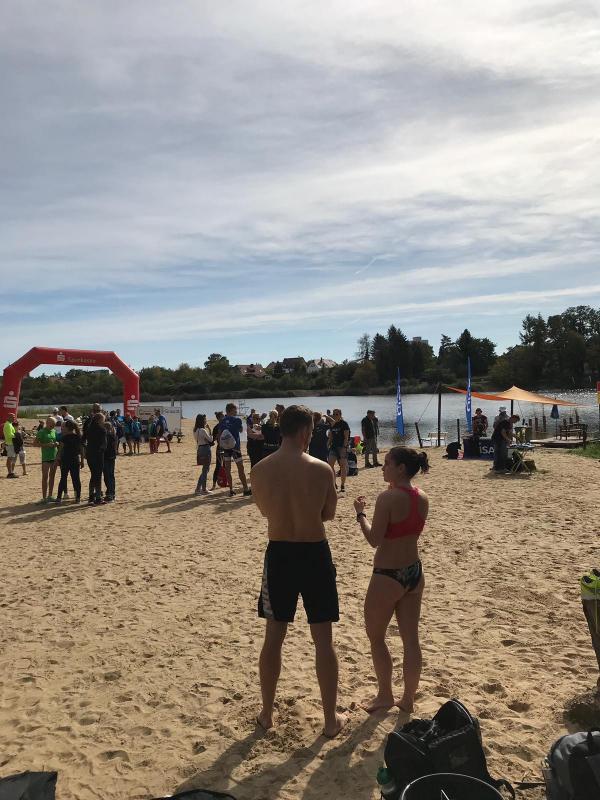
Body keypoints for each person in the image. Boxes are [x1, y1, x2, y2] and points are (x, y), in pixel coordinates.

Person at [251, 404, 345, 738]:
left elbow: (266, 511)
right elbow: (329, 514)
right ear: (306, 431)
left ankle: (266, 713)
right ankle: (330, 720)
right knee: (323, 640)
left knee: (273, 637)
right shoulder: (321, 469)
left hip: (280, 554)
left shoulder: (260, 469)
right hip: (315, 552)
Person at [353, 447, 430, 713]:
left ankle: (385, 695)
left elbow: (374, 539)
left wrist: (360, 515)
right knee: (411, 640)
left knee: (376, 638)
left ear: (400, 468)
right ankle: (408, 699)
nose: (383, 468)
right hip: (414, 572)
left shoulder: (387, 498)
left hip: (388, 574)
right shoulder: (422, 497)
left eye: (387, 463)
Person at [218, 403, 251, 497]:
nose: (236, 411)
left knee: (228, 469)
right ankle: (245, 489)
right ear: (232, 410)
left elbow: (219, 434)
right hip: (235, 448)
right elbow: (241, 430)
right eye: (235, 409)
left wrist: (220, 446)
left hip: (226, 448)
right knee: (240, 468)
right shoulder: (237, 420)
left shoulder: (222, 421)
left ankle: (231, 490)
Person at [55, 419, 84, 503]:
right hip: (75, 459)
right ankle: (78, 497)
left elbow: (60, 450)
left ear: (67, 428)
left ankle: (59, 498)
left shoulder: (64, 437)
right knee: (76, 479)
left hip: (65, 460)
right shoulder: (78, 436)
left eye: (64, 427)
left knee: (63, 478)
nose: (62, 428)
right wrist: (82, 460)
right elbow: (82, 450)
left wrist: (57, 459)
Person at [35, 416, 58, 502]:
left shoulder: (54, 431)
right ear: (47, 423)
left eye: (54, 425)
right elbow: (35, 443)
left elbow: (57, 441)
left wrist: (56, 443)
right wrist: (46, 445)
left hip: (54, 456)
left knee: (52, 476)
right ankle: (44, 497)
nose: (53, 427)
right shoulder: (41, 432)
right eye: (52, 425)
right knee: (45, 477)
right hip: (45, 458)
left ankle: (50, 496)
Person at [86, 412, 107, 504]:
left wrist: (86, 449)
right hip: (98, 455)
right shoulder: (102, 430)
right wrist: (101, 450)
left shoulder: (89, 428)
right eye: (103, 420)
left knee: (93, 475)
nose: (104, 421)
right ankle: (98, 497)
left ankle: (91, 497)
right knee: (98, 475)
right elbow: (104, 444)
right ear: (99, 420)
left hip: (90, 454)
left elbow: (83, 440)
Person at [328, 409, 350, 492]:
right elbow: (331, 437)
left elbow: (346, 437)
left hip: (341, 447)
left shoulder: (344, 424)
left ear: (340, 415)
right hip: (333, 447)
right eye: (333, 414)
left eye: (336, 414)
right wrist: (327, 445)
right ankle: (334, 483)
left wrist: (344, 447)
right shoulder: (332, 424)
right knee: (330, 465)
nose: (335, 415)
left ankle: (342, 485)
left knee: (342, 466)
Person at [194, 414, 213, 495]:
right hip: (205, 449)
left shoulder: (195, 430)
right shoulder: (203, 430)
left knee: (205, 469)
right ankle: (203, 489)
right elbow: (210, 439)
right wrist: (209, 429)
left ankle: (198, 488)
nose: (206, 420)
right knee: (205, 470)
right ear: (202, 421)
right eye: (205, 419)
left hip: (200, 449)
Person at [103, 421, 118, 501]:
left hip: (106, 457)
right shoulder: (113, 435)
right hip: (112, 457)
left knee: (107, 476)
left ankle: (110, 493)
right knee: (111, 475)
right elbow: (115, 448)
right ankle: (112, 492)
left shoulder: (106, 436)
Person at [210, 411, 225, 491]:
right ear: (219, 418)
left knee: (226, 465)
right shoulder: (216, 427)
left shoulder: (226, 425)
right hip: (220, 448)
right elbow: (213, 440)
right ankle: (214, 484)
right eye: (223, 416)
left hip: (226, 447)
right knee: (218, 466)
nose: (224, 417)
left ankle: (225, 481)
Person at [3, 412, 18, 478]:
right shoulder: (8, 425)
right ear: (8, 417)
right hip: (10, 444)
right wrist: (17, 436)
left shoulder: (9, 424)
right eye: (12, 417)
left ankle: (10, 472)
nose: (14, 418)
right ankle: (10, 473)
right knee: (10, 459)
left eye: (14, 417)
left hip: (10, 443)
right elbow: (9, 435)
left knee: (10, 458)